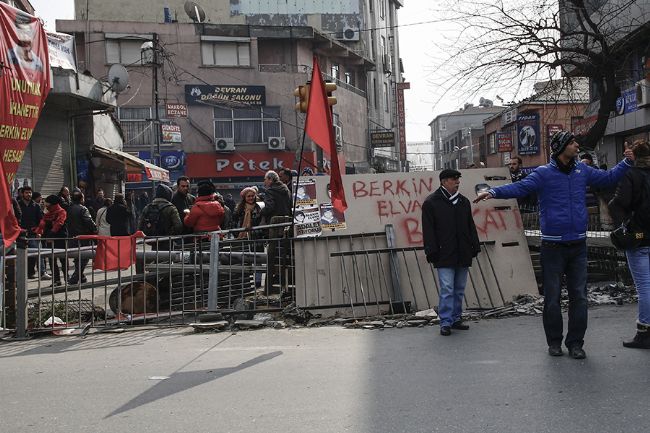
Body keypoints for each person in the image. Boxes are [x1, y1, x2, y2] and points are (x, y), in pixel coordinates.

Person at [475, 130, 635, 359]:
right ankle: (554, 342)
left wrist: (626, 162)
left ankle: (576, 343)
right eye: (572, 143)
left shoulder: (583, 171)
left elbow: (608, 178)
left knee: (579, 296)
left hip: (578, 244)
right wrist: (493, 191)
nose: (577, 146)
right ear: (561, 147)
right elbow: (520, 189)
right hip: (552, 247)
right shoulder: (543, 174)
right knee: (552, 297)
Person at [422, 169, 480, 336]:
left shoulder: (463, 202)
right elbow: (428, 230)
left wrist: (474, 246)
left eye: (457, 179)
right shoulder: (432, 202)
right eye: (454, 179)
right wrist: (431, 251)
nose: (457, 182)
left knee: (459, 287)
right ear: (444, 181)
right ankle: (445, 321)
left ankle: (456, 318)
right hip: (443, 252)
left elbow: (471, 226)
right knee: (447, 287)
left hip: (462, 251)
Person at [608, 139, 650, 349]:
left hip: (639, 239)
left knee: (644, 288)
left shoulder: (632, 176)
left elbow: (617, 203)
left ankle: (644, 332)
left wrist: (624, 225)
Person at [34, 195, 68, 287]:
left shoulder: (61, 212)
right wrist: (38, 232)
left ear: (51, 203)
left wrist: (51, 233)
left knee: (63, 260)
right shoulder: (48, 213)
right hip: (49, 239)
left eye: (46, 202)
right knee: (52, 260)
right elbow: (42, 223)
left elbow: (59, 223)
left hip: (60, 239)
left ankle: (66, 278)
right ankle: (56, 280)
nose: (45, 204)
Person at [66, 190, 98, 284]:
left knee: (77, 257)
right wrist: (94, 228)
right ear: (81, 199)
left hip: (72, 236)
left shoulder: (69, 208)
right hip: (83, 236)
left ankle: (81, 277)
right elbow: (88, 220)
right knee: (84, 257)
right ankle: (75, 277)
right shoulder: (83, 209)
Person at [17, 186, 47, 280]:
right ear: (22, 194)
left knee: (39, 254)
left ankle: (42, 273)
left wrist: (39, 232)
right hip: (20, 235)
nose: (28, 194)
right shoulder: (17, 205)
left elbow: (41, 221)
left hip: (33, 234)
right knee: (20, 256)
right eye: (26, 193)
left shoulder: (35, 206)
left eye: (30, 193)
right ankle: (21, 275)